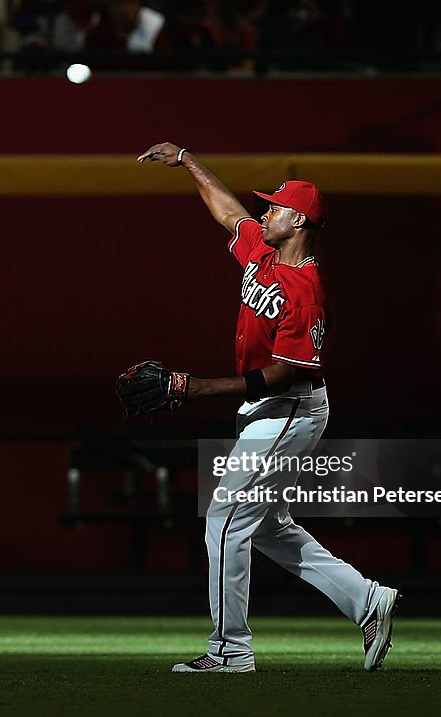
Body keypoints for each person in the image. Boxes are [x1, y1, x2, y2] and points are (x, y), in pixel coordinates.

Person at [130, 141, 399, 673]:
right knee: (269, 525)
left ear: (297, 219)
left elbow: (286, 372)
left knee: (225, 518)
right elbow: (227, 210)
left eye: (274, 206)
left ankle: (230, 651)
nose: (264, 212)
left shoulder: (306, 290)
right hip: (267, 412)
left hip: (290, 410)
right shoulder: (262, 250)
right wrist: (187, 160)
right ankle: (367, 600)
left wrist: (197, 388)